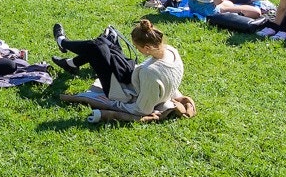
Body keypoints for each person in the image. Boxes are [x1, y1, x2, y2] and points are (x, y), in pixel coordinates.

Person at [55, 18, 194, 123]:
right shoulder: (171, 52)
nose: (137, 49)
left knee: (96, 48)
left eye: (137, 47)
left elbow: (142, 109)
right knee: (104, 44)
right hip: (132, 77)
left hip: (121, 91)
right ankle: (71, 63)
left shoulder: (150, 72)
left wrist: (112, 105)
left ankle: (63, 43)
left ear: (147, 48)